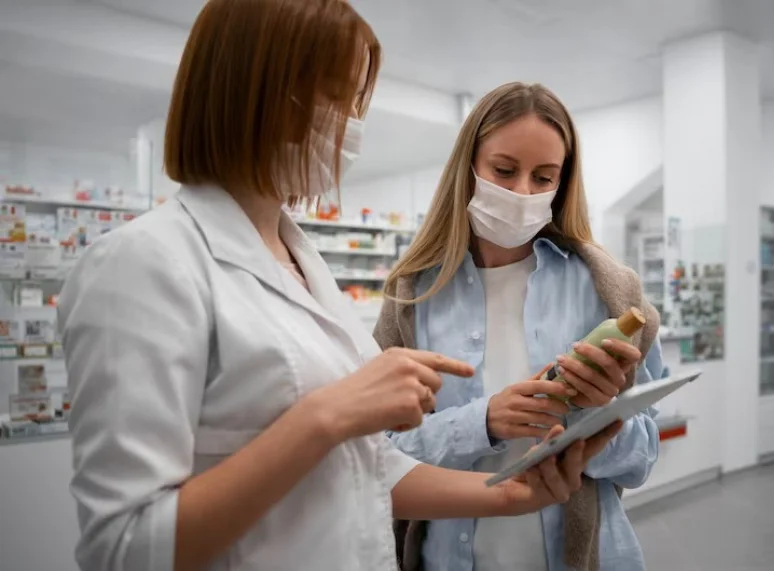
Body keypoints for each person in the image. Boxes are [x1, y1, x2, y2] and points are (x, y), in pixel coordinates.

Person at [57, 3, 621, 571]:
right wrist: (326, 417)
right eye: (334, 97)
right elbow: (122, 549)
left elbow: (366, 466)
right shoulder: (141, 264)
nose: (349, 126)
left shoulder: (301, 261)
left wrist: (506, 497)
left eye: (356, 103)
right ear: (255, 91)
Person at [375, 82, 664, 571]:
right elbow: (376, 457)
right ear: (468, 166)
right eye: (504, 171)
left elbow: (641, 460)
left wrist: (593, 416)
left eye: (543, 177)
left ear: (563, 183)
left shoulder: (609, 291)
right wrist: (481, 422)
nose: (521, 192)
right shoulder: (410, 297)